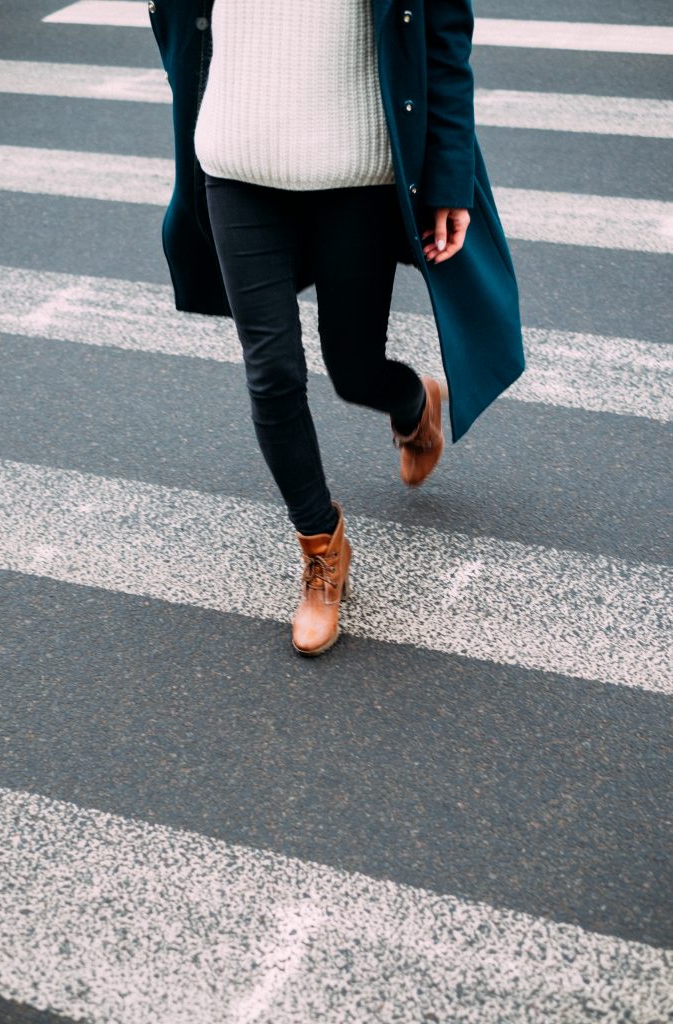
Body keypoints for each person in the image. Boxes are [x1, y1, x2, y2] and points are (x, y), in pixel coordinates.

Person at [190, 1, 478, 657]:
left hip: (355, 169)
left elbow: (443, 36)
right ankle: (322, 550)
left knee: (352, 368)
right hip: (236, 160)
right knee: (272, 371)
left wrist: (449, 175)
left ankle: (413, 403)